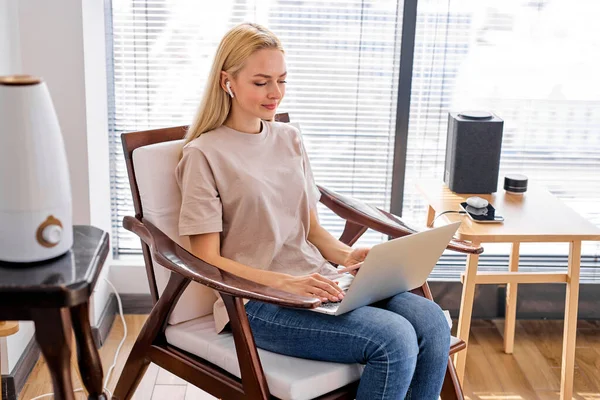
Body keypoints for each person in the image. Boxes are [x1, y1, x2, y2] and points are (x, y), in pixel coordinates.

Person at [176, 22, 451, 400]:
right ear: (228, 81)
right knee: (394, 339)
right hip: (255, 304)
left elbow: (312, 231)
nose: (276, 94)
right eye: (261, 82)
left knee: (432, 321)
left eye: (282, 80)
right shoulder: (203, 155)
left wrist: (350, 256)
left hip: (321, 283)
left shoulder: (288, 137)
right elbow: (205, 257)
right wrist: (282, 282)